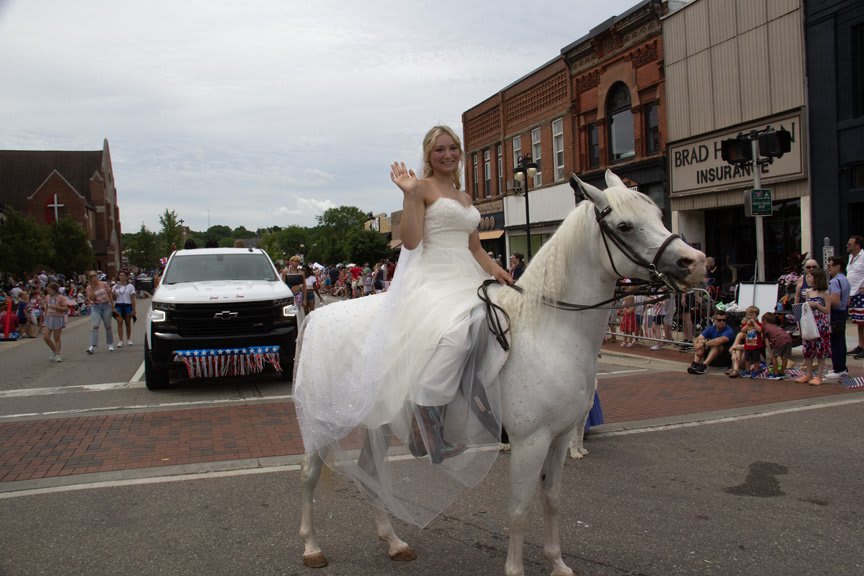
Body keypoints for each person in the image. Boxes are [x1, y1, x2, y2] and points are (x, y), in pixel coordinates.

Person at [795, 268, 832, 386]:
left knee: (820, 350)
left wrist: (816, 305)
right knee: (807, 349)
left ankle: (819, 376)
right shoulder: (808, 292)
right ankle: (809, 374)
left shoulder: (825, 292)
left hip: (821, 324)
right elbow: (804, 306)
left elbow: (827, 310)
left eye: (810, 277)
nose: (808, 279)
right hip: (809, 322)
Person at [824, 256, 851, 379]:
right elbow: (848, 300)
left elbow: (834, 301)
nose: (828, 268)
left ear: (838, 267)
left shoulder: (835, 281)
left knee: (835, 341)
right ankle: (841, 368)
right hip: (843, 311)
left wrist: (824, 300)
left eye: (830, 265)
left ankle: (838, 369)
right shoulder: (845, 279)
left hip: (836, 312)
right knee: (840, 340)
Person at [85, 270, 115, 354]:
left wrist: (112, 305)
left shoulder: (104, 284)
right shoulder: (89, 287)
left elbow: (110, 294)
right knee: (95, 326)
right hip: (96, 307)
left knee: (108, 326)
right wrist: (93, 288)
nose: (93, 277)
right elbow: (92, 298)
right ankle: (92, 346)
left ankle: (110, 344)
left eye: (94, 275)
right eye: (91, 276)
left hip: (106, 306)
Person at [846, 235, 864, 358]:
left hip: (861, 293)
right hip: (853, 294)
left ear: (857, 245)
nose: (847, 246)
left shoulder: (863, 256)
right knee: (859, 322)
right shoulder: (850, 257)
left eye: (849, 244)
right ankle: (861, 346)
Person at [761, 312, 792, 380]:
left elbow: (766, 341)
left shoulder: (765, 327)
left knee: (774, 357)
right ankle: (781, 373)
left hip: (779, 340)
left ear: (764, 321)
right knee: (784, 358)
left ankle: (775, 373)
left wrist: (770, 352)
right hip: (788, 338)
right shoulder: (776, 326)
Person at [42, 282, 68, 362]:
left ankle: (57, 355)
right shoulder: (47, 297)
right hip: (49, 318)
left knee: (56, 337)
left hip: (58, 318)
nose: (48, 292)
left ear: (54, 290)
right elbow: (46, 307)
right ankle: (54, 350)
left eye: (49, 290)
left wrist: (56, 307)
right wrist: (45, 316)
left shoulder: (61, 297)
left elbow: (66, 308)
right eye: (47, 290)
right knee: (45, 337)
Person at [112, 271, 137, 347]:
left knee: (128, 323)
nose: (122, 277)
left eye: (123, 275)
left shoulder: (130, 286)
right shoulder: (115, 286)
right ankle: (120, 340)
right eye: (120, 275)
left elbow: (132, 298)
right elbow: (113, 298)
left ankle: (128, 339)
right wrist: (113, 293)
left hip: (127, 305)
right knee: (119, 322)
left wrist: (134, 309)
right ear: (118, 277)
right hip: (118, 305)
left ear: (126, 277)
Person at [739, 305, 763, 377]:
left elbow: (759, 330)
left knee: (756, 359)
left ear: (756, 316)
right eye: (748, 315)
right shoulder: (746, 324)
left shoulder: (759, 324)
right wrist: (747, 325)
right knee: (747, 359)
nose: (749, 317)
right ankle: (747, 370)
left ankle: (756, 370)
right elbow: (742, 330)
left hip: (756, 345)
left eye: (751, 315)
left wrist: (754, 323)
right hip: (748, 345)